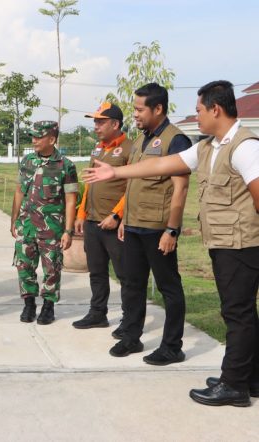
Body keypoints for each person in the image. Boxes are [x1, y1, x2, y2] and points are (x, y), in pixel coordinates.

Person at [84, 80, 259, 407]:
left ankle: (234, 384)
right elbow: (162, 164)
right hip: (223, 241)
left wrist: (172, 229)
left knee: (237, 313)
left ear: (215, 109)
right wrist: (117, 174)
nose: (197, 116)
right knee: (240, 312)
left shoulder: (245, 146)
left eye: (199, 110)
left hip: (242, 244)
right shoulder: (209, 146)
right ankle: (249, 377)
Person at [105, 83, 192, 364]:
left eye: (140, 109)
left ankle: (172, 346)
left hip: (157, 228)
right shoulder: (143, 139)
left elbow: (180, 189)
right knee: (132, 284)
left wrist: (172, 229)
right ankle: (131, 337)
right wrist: (123, 218)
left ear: (158, 108)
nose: (135, 114)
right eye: (134, 109)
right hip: (133, 225)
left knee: (169, 287)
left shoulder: (175, 140)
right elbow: (135, 183)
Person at [10, 121, 78, 325]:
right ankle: (28, 304)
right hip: (26, 226)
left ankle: (48, 306)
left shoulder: (66, 165)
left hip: (51, 228)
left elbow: (71, 200)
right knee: (24, 266)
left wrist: (68, 231)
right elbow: (19, 191)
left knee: (51, 269)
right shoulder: (28, 161)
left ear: (52, 139)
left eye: (39, 137)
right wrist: (14, 220)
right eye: (33, 136)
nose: (34, 140)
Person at [72, 103, 132, 330]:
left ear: (115, 124)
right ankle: (98, 313)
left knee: (124, 275)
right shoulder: (98, 149)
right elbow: (89, 183)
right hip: (92, 222)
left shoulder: (129, 148)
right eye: (94, 121)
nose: (96, 126)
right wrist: (81, 213)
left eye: (100, 121)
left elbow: (133, 187)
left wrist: (117, 216)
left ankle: (129, 319)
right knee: (96, 272)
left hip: (113, 224)